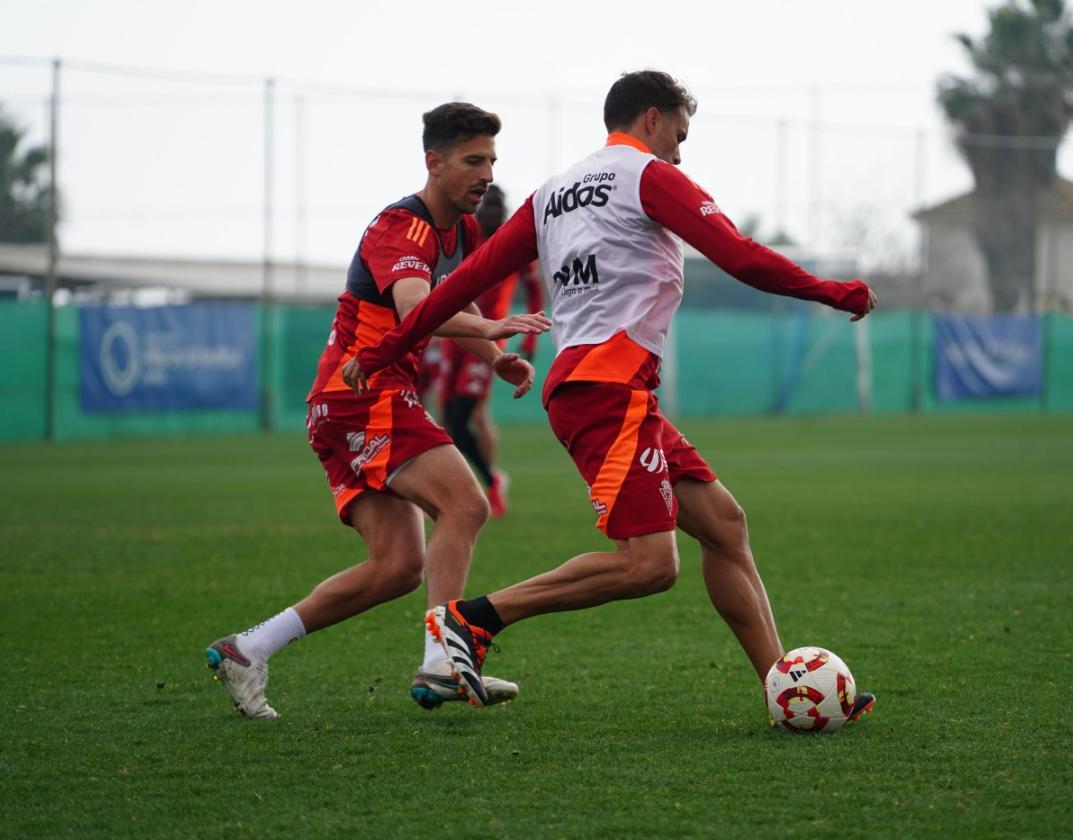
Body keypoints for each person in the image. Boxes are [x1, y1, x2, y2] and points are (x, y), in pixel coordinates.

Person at [343, 71, 878, 719]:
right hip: (606, 388)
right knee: (651, 564)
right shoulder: (648, 176)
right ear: (651, 119)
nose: (680, 152)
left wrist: (382, 349)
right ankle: (472, 620)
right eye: (679, 135)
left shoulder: (553, 194)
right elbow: (739, 256)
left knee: (724, 525)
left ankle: (782, 686)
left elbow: (460, 285)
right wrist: (835, 293)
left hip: (602, 387)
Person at [203, 102, 551, 718]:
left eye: (492, 161)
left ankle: (247, 649)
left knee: (397, 567)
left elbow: (445, 305)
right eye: (473, 160)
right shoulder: (402, 227)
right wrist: (495, 325)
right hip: (361, 394)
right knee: (465, 503)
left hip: (353, 400)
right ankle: (444, 662)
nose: (486, 173)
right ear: (433, 162)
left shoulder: (463, 232)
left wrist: (493, 355)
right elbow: (419, 303)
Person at [438, 184, 544, 516]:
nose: (493, 212)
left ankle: (489, 481)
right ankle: (482, 482)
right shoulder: (465, 235)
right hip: (456, 336)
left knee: (468, 418)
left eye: (498, 206)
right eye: (488, 205)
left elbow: (535, 288)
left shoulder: (512, 243)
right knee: (449, 417)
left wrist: (529, 340)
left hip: (489, 339)